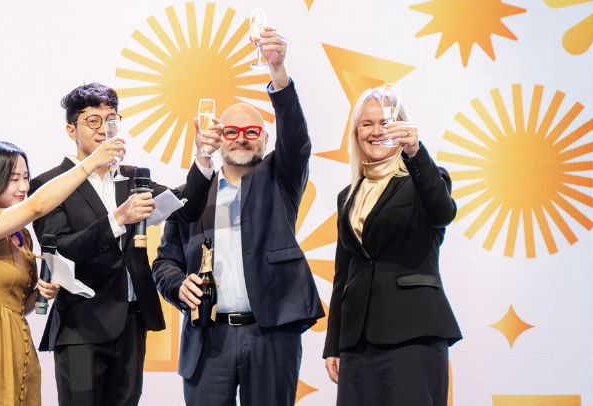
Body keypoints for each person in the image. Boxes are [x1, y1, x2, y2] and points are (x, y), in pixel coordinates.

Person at [152, 27, 325, 406]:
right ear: (217, 138)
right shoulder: (190, 195)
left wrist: (278, 73)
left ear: (264, 140)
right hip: (207, 336)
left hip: (271, 335)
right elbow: (165, 261)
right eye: (231, 131)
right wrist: (177, 285)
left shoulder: (280, 181)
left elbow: (296, 139)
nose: (242, 138)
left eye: (251, 131)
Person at [29, 82, 216, 406]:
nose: (105, 129)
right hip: (80, 324)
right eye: (93, 121)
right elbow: (60, 249)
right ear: (71, 130)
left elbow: (186, 207)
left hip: (132, 322)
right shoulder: (49, 184)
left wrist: (201, 156)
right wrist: (117, 219)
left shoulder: (133, 179)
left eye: (111, 119)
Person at [0, 139, 123, 406]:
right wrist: (90, 163)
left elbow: (20, 305)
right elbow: (37, 206)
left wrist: (42, 292)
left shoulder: (22, 235)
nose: (24, 187)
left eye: (26, 177)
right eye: (13, 179)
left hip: (16, 340)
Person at [322, 86, 462, 405]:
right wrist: (334, 345)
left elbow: (443, 213)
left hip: (413, 334)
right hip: (357, 345)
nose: (375, 132)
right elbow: (343, 276)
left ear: (402, 129)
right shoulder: (348, 196)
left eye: (385, 123)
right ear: (356, 133)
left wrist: (416, 152)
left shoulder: (426, 180)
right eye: (366, 124)